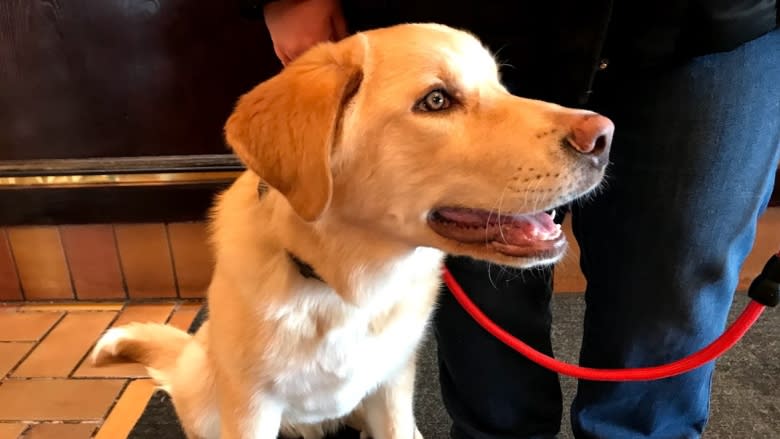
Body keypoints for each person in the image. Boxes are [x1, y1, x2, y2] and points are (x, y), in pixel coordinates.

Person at [246, 1, 780, 437]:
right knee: (483, 309)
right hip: (486, 10)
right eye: (438, 101)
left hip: (716, 25)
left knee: (671, 283)